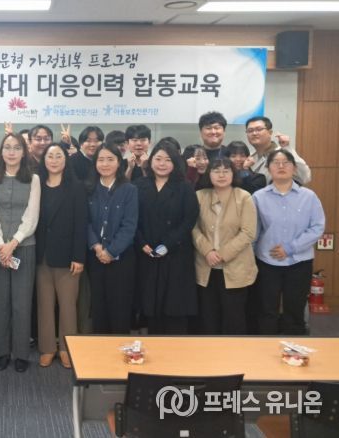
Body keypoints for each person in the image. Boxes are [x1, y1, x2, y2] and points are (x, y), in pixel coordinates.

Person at [0, 133, 40, 373]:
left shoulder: (33, 179)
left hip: (24, 247)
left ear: (23, 152)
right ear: (1, 151)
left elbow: (32, 215)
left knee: (21, 302)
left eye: (17, 147)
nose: (11, 152)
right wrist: (0, 244)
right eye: (7, 147)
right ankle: (1, 352)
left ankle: (21, 353)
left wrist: (13, 242)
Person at [252, 150, 325, 335]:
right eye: (275, 162)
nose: (281, 166)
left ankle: (294, 347)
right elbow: (254, 231)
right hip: (267, 262)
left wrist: (290, 248)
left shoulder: (309, 196)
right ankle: (265, 347)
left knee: (295, 309)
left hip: (299, 262)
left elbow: (317, 227)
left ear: (294, 168)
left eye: (286, 162)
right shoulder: (258, 197)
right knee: (266, 309)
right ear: (268, 168)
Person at [135, 141, 200, 334]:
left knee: (174, 306)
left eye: (168, 160)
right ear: (150, 161)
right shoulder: (139, 185)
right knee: (151, 305)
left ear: (175, 163)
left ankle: (176, 348)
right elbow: (131, 219)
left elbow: (189, 219)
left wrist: (167, 245)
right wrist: (141, 243)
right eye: (158, 159)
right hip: (147, 252)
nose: (162, 164)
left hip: (176, 253)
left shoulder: (184, 187)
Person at [35, 143, 87, 369]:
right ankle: (47, 348)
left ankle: (67, 348)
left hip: (68, 256)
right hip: (41, 254)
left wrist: (79, 256)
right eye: (50, 156)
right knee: (44, 304)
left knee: (68, 305)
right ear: (44, 160)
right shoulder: (36, 184)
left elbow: (81, 223)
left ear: (66, 160)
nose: (54, 160)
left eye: (59, 156)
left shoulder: (76, 187)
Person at [192, 158, 257, 335]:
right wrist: (207, 251)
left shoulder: (244, 197)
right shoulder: (199, 196)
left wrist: (222, 254)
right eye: (216, 171)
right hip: (206, 266)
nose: (221, 175)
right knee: (208, 318)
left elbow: (248, 232)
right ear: (209, 174)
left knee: (234, 318)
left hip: (236, 267)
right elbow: (193, 228)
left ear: (233, 174)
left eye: (226, 171)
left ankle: (234, 352)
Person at [87, 143, 138, 334]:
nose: (105, 164)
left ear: (119, 163)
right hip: (95, 257)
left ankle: (120, 349)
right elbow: (85, 222)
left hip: (122, 259)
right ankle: (100, 349)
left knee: (120, 309)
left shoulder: (129, 190)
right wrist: (96, 247)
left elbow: (129, 225)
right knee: (98, 308)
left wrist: (111, 251)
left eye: (110, 159)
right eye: (101, 160)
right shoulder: (89, 189)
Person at [245, 116, 311, 185]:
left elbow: (305, 177)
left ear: (270, 132)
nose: (254, 133)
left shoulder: (282, 153)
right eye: (250, 131)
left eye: (259, 129)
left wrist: (287, 147)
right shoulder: (250, 158)